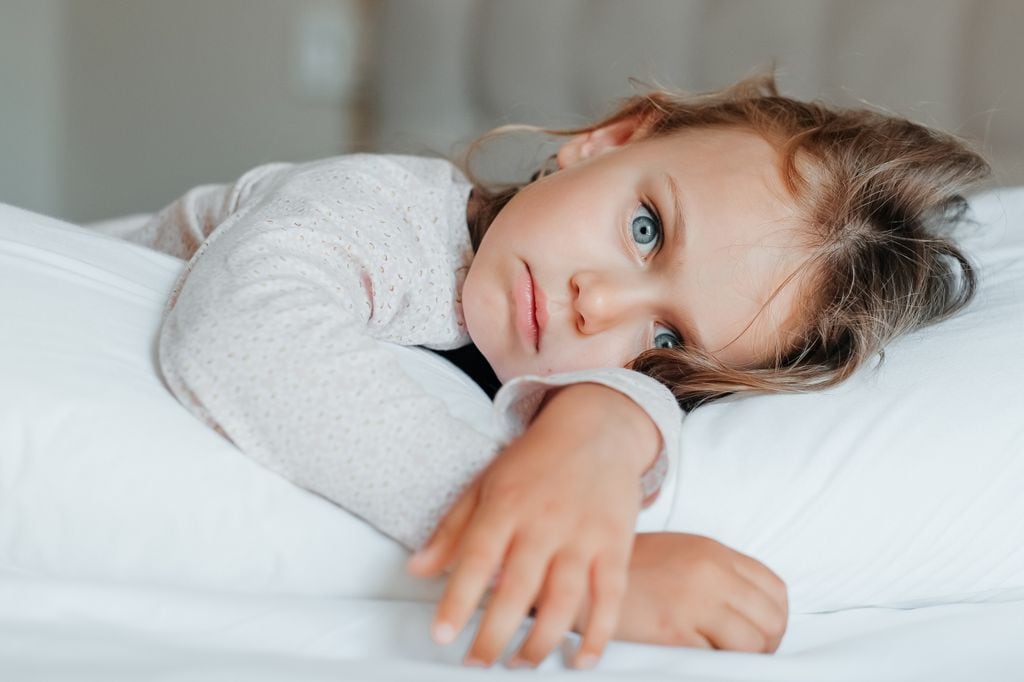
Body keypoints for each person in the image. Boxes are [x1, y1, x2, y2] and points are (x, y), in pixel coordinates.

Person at [118, 72, 988, 670]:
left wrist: (605, 430)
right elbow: (247, 340)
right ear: (604, 141)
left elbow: (637, 390)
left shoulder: (585, 359)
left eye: (665, 334)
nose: (597, 305)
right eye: (645, 228)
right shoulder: (381, 208)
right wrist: (532, 554)